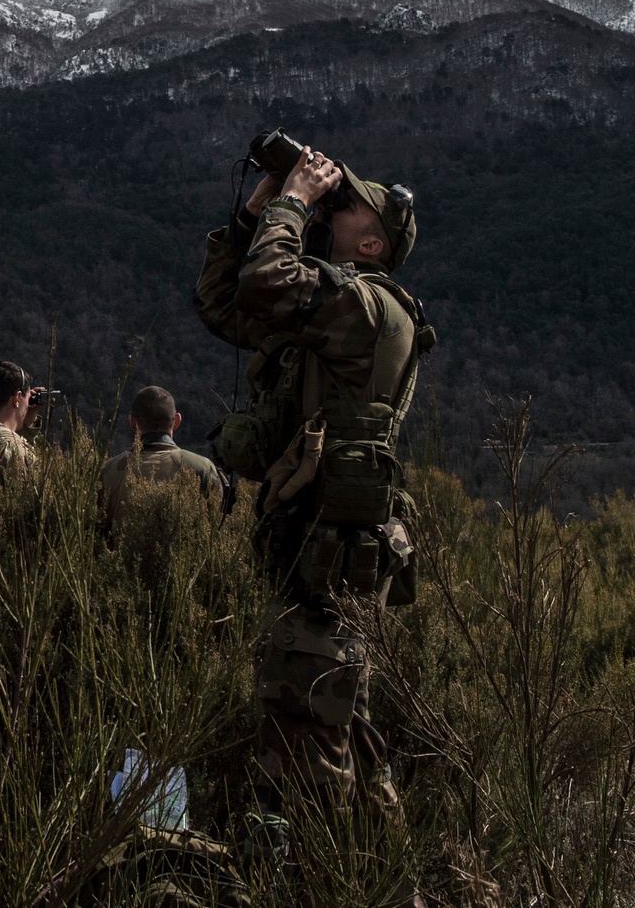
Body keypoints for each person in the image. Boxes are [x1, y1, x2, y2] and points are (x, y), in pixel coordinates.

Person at [194, 144, 433, 907]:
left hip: (327, 568)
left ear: (375, 244)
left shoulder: (366, 308)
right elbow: (225, 304)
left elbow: (268, 282)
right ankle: (388, 889)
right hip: (313, 561)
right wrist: (257, 211)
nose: (335, 202)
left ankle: (324, 889)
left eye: (348, 203)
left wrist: (296, 198)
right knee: (341, 733)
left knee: (306, 760)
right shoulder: (332, 309)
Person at [99, 385, 228, 531]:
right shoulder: (202, 468)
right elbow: (216, 526)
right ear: (177, 420)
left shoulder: (109, 471)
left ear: (133, 423)